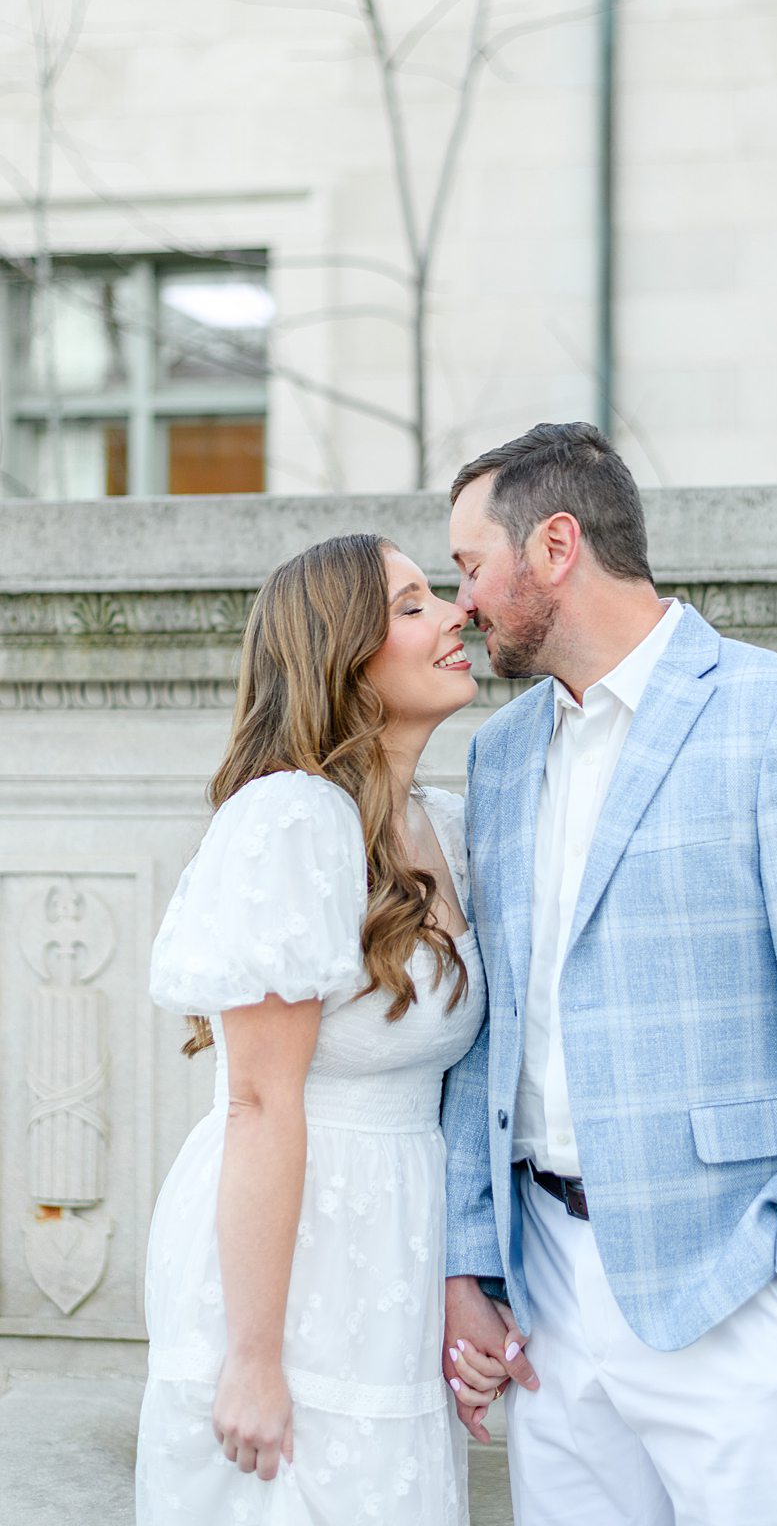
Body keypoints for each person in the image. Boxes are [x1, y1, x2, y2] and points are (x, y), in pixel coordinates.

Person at [436, 422, 777, 1526]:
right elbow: (486, 1031)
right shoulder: (500, 752)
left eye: (470, 566)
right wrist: (470, 1261)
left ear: (555, 544)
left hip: (736, 1286)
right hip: (549, 1296)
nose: (460, 602)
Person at [136, 534, 485, 1523]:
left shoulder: (442, 825)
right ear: (345, 653)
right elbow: (256, 1098)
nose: (456, 613)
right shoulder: (292, 819)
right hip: (289, 1259)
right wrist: (252, 1357)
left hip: (397, 1246)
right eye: (414, 604)